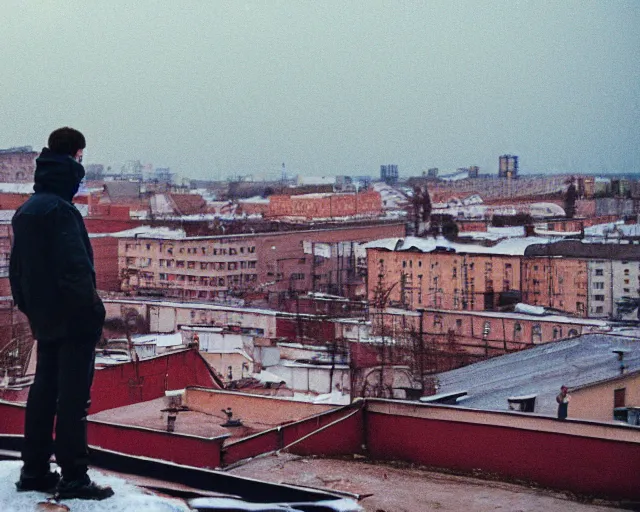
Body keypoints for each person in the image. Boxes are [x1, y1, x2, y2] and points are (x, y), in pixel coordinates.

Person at [10, 127, 113, 500]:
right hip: (73, 321)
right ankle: (74, 478)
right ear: (76, 156)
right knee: (72, 400)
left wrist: (31, 309)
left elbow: (16, 272)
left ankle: (34, 471)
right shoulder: (60, 210)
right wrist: (92, 314)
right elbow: (75, 272)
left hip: (44, 318)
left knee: (42, 394)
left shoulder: (26, 210)